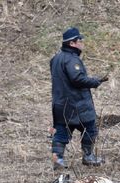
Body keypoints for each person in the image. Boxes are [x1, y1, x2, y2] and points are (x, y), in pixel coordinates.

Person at [50, 27, 108, 169]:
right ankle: (88, 156)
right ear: (72, 43)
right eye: (79, 40)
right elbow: (77, 79)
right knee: (90, 128)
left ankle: (57, 159)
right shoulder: (72, 60)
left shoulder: (55, 59)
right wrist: (95, 81)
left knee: (61, 130)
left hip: (60, 104)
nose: (82, 43)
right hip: (77, 104)